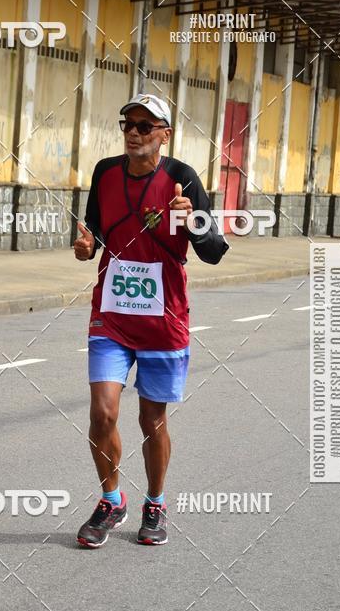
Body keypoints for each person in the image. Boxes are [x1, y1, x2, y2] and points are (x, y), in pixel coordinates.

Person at [73, 93, 228, 549]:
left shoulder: (182, 179)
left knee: (151, 419)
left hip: (163, 321)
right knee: (102, 412)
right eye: (128, 124)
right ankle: (111, 500)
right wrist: (85, 249)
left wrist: (193, 220)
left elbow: (213, 252)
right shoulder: (104, 172)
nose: (134, 133)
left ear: (165, 133)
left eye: (145, 125)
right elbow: (93, 236)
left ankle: (155, 503)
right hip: (111, 317)